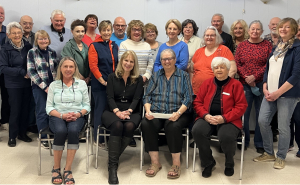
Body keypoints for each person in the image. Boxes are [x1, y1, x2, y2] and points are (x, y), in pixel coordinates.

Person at [253, 18, 300, 169]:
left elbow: (296, 75)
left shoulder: (297, 48)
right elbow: (268, 69)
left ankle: (281, 156)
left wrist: (278, 92)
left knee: (283, 126)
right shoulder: (277, 46)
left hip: (287, 94)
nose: (283, 29)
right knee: (262, 121)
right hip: (270, 92)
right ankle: (268, 153)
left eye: (287, 27)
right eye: (281, 27)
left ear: (293, 30)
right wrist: (265, 87)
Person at [141, 49, 193, 179]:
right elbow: (147, 96)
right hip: (157, 112)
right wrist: (148, 111)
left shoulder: (183, 76)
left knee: (173, 126)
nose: (167, 61)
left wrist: (179, 113)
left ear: (175, 60)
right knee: (146, 124)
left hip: (178, 113)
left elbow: (188, 98)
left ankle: (176, 164)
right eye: (164, 59)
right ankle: (155, 163)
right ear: (161, 61)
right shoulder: (156, 75)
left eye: (169, 58)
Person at [192, 57, 247, 178]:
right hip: (208, 117)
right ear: (213, 70)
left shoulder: (236, 85)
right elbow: (197, 102)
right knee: (197, 131)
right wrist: (205, 115)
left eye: (222, 67)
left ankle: (229, 162)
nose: (219, 70)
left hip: (229, 119)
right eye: (216, 67)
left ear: (228, 69)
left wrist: (224, 118)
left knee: (226, 135)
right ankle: (208, 162)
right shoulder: (207, 83)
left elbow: (241, 106)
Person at [46, 56, 90, 184]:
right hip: (57, 115)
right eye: (65, 66)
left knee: (73, 130)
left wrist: (77, 114)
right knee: (60, 131)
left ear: (75, 68)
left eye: (71, 66)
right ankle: (56, 168)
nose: (68, 69)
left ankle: (67, 169)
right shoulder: (54, 85)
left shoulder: (81, 84)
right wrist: (61, 116)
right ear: (60, 68)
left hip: (76, 115)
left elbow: (87, 106)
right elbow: (49, 107)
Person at [102, 50, 143, 184]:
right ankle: (112, 168)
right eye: (126, 60)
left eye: (131, 61)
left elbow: (137, 98)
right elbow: (110, 97)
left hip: (132, 110)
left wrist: (129, 111)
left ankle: (113, 159)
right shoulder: (112, 77)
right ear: (121, 61)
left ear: (134, 64)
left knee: (130, 125)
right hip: (112, 110)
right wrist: (118, 112)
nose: (128, 63)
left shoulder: (138, 79)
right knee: (118, 125)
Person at [235, 20, 272, 153]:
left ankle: (259, 142)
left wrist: (254, 77)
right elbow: (237, 63)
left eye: (258, 29)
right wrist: (246, 77)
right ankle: (243, 140)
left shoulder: (267, 45)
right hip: (244, 84)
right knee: (243, 113)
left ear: (262, 32)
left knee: (261, 115)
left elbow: (269, 64)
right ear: (248, 30)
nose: (255, 31)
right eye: (252, 29)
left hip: (262, 84)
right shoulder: (242, 45)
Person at [0, 22, 33, 147]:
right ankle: (12, 136)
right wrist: (21, 72)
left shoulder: (28, 46)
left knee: (25, 109)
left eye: (19, 32)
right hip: (13, 84)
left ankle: (22, 133)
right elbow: (3, 68)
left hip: (26, 82)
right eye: (14, 33)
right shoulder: (5, 49)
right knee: (15, 110)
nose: (17, 35)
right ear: (8, 35)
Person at [88, 20, 118, 148]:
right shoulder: (94, 46)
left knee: (111, 110)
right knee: (100, 110)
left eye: (108, 30)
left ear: (111, 31)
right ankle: (98, 138)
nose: (106, 32)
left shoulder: (114, 45)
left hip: (113, 84)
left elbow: (117, 65)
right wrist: (102, 81)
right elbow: (93, 66)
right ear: (100, 31)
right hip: (99, 84)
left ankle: (111, 137)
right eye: (104, 30)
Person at [27, 30, 58, 148]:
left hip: (52, 86)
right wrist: (45, 87)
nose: (43, 41)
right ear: (36, 40)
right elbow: (31, 72)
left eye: (45, 38)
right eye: (40, 39)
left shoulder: (52, 52)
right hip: (39, 87)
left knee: (52, 111)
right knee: (41, 112)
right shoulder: (32, 52)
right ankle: (43, 138)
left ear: (48, 40)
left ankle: (52, 134)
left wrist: (54, 86)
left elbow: (55, 69)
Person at [192, 26, 236, 95]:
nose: (209, 37)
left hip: (217, 92)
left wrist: (224, 86)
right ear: (204, 37)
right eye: (207, 35)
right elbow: (192, 71)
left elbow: (232, 70)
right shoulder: (198, 51)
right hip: (197, 92)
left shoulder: (224, 50)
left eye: (212, 35)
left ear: (217, 37)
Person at [61, 19, 90, 84]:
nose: (80, 34)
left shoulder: (86, 47)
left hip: (86, 81)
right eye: (77, 31)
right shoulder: (68, 47)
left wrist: (88, 77)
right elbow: (68, 65)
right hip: (72, 80)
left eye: (82, 31)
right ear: (72, 31)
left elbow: (90, 64)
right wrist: (81, 78)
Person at [0, 4, 9, 128]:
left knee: (6, 97)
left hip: (4, 71)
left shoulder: (8, 31)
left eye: (2, 13)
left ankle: (4, 121)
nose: (0, 15)